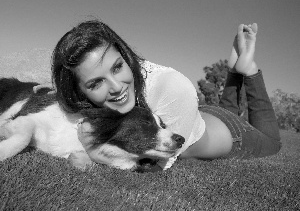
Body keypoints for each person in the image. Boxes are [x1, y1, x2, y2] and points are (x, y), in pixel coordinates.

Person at [49, 19, 281, 171]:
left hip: (234, 135)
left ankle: (249, 71)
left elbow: (158, 165)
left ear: (125, 55)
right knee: (217, 113)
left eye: (118, 67)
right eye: (96, 82)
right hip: (198, 117)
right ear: (80, 91)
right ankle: (233, 72)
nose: (117, 87)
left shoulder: (171, 86)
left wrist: (92, 153)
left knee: (273, 143)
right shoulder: (91, 99)